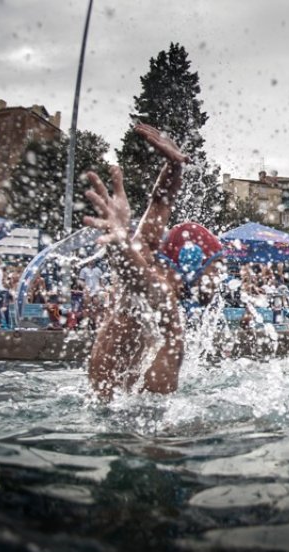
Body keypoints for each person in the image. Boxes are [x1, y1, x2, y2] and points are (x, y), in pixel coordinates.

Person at [82, 124, 227, 400]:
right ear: (188, 264)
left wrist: (174, 166)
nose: (219, 280)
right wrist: (119, 241)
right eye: (214, 269)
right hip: (133, 424)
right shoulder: (161, 298)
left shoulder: (147, 259)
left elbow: (161, 201)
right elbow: (135, 276)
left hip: (109, 406)